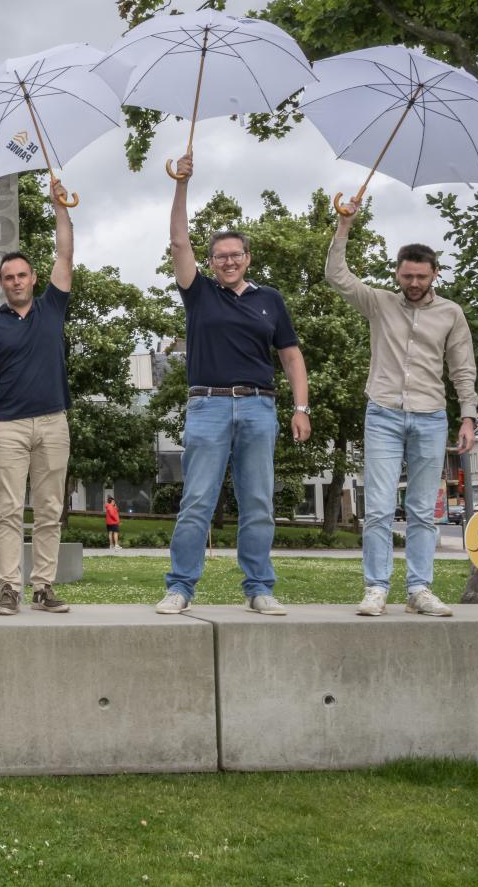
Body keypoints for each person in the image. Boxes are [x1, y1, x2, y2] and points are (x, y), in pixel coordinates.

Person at [157, 153, 311, 617]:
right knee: (196, 502)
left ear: (247, 258)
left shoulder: (271, 300)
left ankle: (259, 587)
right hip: (207, 407)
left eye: (235, 255)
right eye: (220, 256)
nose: (228, 261)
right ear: (210, 262)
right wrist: (181, 184)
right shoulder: (199, 293)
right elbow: (178, 241)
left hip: (259, 408)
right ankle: (180, 587)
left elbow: (290, 356)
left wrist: (301, 407)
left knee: (258, 503)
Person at [329, 200, 477, 617]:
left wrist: (468, 416)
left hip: (431, 417)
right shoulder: (379, 303)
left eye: (421, 277)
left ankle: (418, 590)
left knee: (422, 510)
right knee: (378, 507)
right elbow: (337, 276)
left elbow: (462, 368)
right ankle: (376, 588)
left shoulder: (451, 313)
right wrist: (344, 226)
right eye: (407, 276)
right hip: (384, 415)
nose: (414, 283)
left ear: (434, 275)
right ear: (397, 273)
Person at [0, 176, 75, 617]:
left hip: (53, 421)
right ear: (1, 283)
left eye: (21, 275)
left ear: (33, 278)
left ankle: (43, 587)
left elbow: (65, 254)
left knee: (50, 510)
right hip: (8, 426)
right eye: (8, 277)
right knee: (8, 510)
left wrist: (60, 207)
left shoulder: (52, 307)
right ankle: (8, 588)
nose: (15, 281)